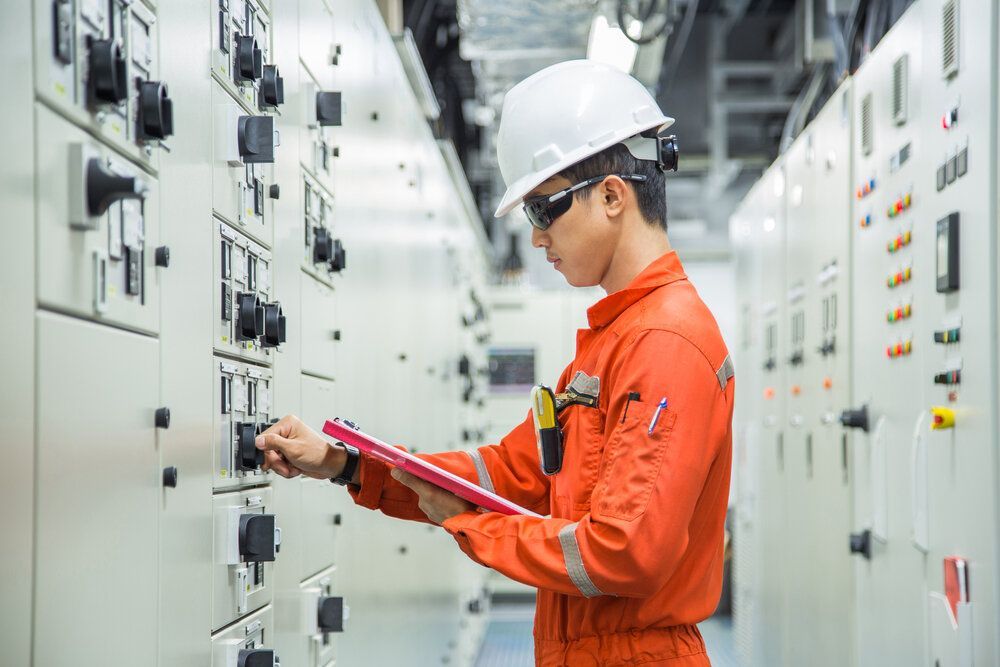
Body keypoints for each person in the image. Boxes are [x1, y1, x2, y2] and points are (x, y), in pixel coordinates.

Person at [258, 60, 734, 666]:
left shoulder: (667, 342)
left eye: (543, 210)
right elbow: (507, 474)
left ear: (612, 196)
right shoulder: (617, 341)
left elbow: (626, 551)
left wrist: (474, 528)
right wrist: (348, 464)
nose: (536, 238)